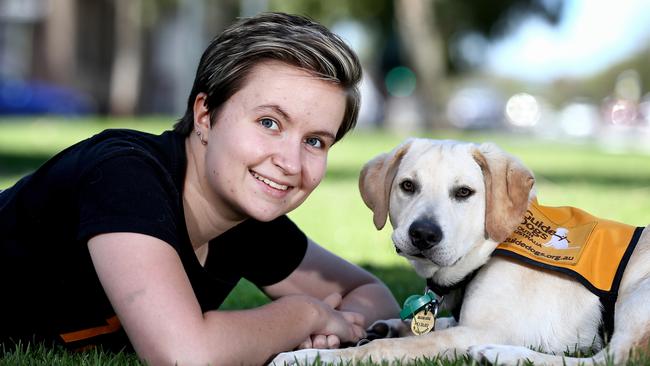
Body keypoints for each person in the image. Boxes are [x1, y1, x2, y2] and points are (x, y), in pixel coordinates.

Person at [0, 12, 400, 365]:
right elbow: (183, 354)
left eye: (315, 141)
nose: (290, 163)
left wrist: (332, 331)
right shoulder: (124, 174)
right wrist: (306, 316)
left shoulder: (242, 213)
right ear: (205, 115)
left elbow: (371, 294)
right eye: (269, 123)